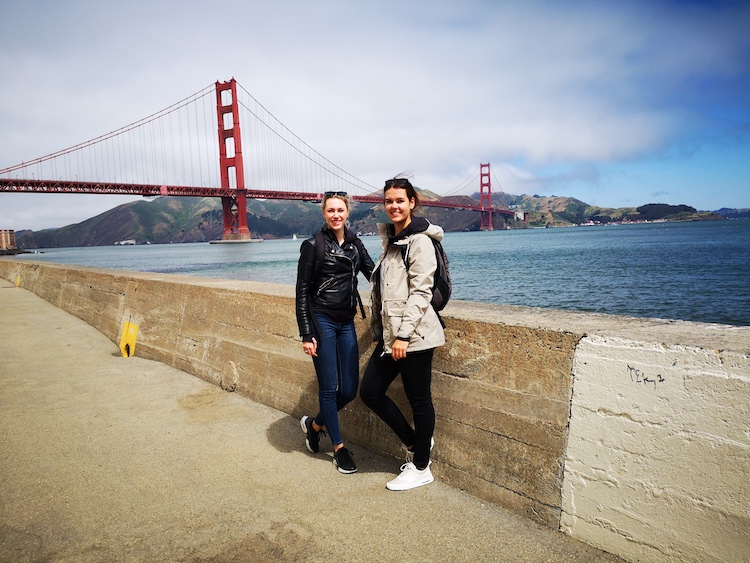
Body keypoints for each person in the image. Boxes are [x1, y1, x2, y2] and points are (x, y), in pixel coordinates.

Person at [360, 177, 445, 490]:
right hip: (391, 335)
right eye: (388, 201)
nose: (393, 206)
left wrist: (403, 336)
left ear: (412, 202)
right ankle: (416, 444)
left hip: (415, 336)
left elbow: (421, 292)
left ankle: (422, 466)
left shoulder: (419, 241)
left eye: (400, 200)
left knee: (419, 399)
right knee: (369, 392)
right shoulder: (394, 240)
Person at [296, 190, 374, 474]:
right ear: (324, 214)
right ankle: (339, 448)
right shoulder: (312, 245)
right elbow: (302, 292)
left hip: (346, 321)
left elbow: (374, 274)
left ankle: (314, 426)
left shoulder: (355, 244)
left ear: (348, 212)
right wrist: (307, 333)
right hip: (322, 321)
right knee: (329, 388)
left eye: (340, 210)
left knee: (350, 390)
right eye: (331, 210)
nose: (336, 215)